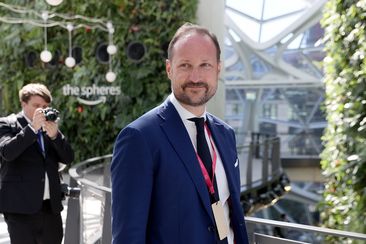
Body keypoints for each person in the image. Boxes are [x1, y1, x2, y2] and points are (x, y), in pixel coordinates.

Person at [111, 22, 249, 244]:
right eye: (185, 65)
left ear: (218, 69)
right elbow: (128, 236)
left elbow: (227, 213)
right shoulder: (139, 138)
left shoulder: (226, 135)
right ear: (169, 69)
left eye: (205, 65)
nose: (196, 77)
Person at [0, 83, 74, 244]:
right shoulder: (7, 124)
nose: (42, 110)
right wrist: (32, 128)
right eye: (36, 106)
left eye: (45, 106)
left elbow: (68, 158)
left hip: (50, 208)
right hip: (20, 209)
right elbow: (7, 153)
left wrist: (55, 136)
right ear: (23, 104)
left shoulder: (50, 128)